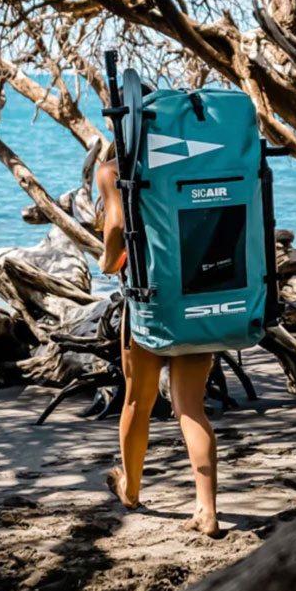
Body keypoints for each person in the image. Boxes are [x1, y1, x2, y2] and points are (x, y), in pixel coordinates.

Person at [95, 153, 222, 537]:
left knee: (138, 401)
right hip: (196, 297)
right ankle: (208, 510)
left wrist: (106, 260)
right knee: (190, 409)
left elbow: (116, 225)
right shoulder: (193, 164)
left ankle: (130, 491)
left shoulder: (112, 170)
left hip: (149, 303)